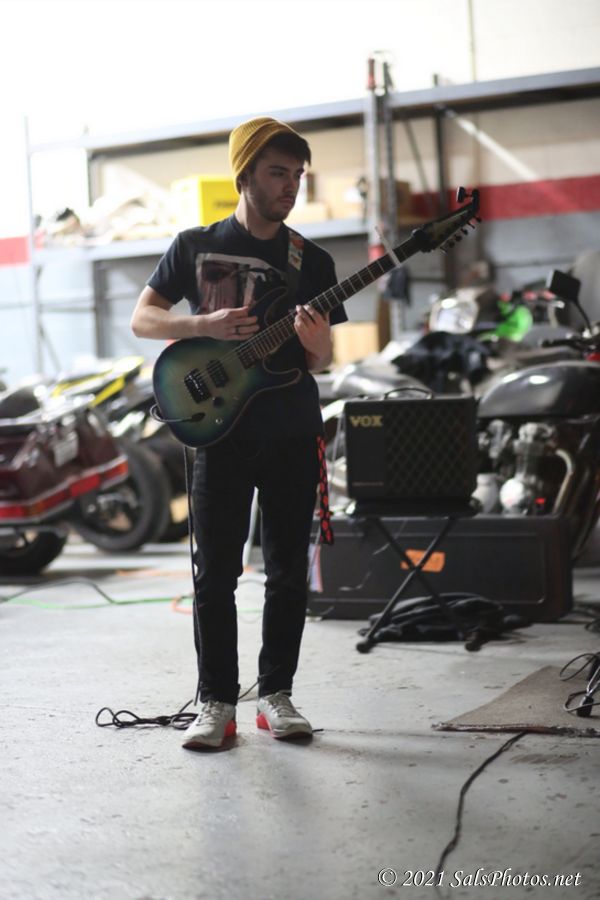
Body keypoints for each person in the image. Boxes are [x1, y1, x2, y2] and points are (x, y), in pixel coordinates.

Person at [130, 116, 347, 750]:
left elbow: (321, 360)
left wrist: (317, 343)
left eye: (298, 175)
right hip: (217, 432)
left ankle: (276, 696)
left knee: (286, 571)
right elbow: (144, 319)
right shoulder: (194, 246)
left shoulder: (314, 260)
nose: (291, 186)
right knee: (214, 574)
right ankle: (216, 703)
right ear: (244, 175)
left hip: (291, 431)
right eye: (278, 173)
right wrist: (202, 326)